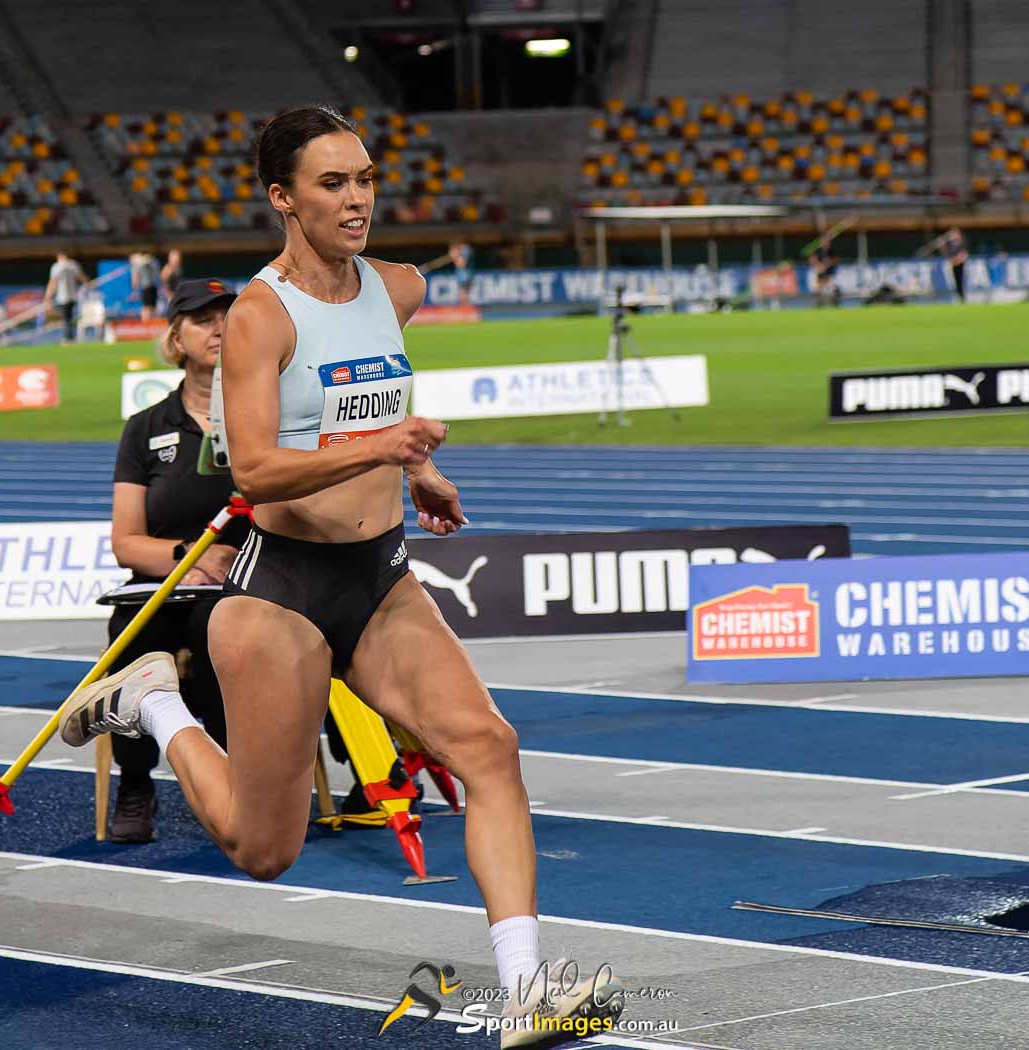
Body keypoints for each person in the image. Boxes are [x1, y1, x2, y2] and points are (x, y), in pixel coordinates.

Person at [58, 105, 622, 1046]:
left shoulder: (397, 288)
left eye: (364, 178)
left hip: (380, 575)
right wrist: (385, 444)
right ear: (283, 198)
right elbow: (256, 471)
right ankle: (156, 699)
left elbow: (370, 400)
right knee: (263, 848)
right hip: (279, 587)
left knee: (489, 748)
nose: (357, 198)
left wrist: (418, 469)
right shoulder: (257, 316)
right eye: (332, 183)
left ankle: (529, 992)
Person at [103, 277, 247, 841]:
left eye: (227, 317)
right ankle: (137, 784)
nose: (218, 328)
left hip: (246, 584)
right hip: (166, 584)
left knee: (226, 639)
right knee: (132, 643)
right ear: (175, 339)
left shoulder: (267, 415)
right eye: (202, 319)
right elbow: (126, 542)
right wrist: (191, 556)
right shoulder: (146, 430)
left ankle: (244, 782)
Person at [44, 250, 86, 342]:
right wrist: (87, 283)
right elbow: (82, 277)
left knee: (66, 318)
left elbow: (52, 282)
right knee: (68, 317)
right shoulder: (73, 265)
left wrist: (48, 296)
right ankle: (70, 337)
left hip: (63, 297)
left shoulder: (57, 266)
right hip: (73, 297)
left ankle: (68, 338)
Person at [939, 227, 969, 303]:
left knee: (961, 281)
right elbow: (947, 255)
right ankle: (959, 297)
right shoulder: (950, 245)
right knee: (955, 282)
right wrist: (942, 246)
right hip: (953, 265)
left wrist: (957, 260)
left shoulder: (962, 243)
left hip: (961, 265)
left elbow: (964, 255)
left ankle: (963, 298)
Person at [129, 252, 162, 321]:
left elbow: (135, 280)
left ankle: (148, 324)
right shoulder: (149, 262)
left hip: (148, 288)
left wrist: (134, 290)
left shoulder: (139, 264)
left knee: (148, 309)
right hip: (150, 288)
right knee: (149, 309)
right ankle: (148, 324)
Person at [449, 240, 474, 306]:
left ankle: (465, 306)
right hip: (462, 276)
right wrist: (454, 256)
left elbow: (461, 264)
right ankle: (464, 306)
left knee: (464, 293)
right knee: (463, 293)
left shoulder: (465, 253)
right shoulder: (462, 253)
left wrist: (455, 256)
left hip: (465, 277)